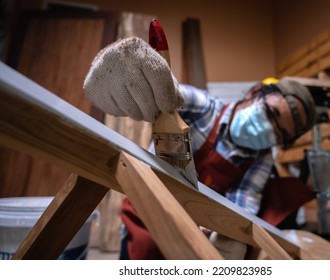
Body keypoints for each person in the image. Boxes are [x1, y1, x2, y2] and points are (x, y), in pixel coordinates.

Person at [83, 37, 317, 260]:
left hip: (195, 223)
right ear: (255, 94)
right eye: (270, 113)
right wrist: (128, 72)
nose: (267, 129)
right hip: (147, 208)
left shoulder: (261, 159)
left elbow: (243, 203)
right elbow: (168, 93)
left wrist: (227, 231)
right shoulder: (203, 107)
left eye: (279, 133)